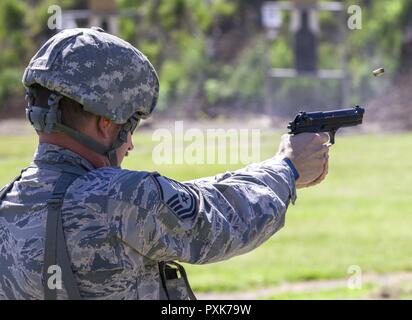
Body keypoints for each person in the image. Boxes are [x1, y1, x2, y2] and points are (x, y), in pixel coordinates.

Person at [0, 27, 329, 300]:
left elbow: (188, 197)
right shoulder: (121, 199)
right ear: (105, 122)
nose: (130, 143)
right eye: (129, 125)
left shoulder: (8, 203)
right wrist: (287, 168)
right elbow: (219, 218)